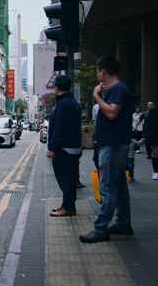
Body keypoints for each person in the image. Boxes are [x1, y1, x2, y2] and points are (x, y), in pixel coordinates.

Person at [80, 55, 133, 243]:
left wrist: (96, 96)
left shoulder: (118, 89)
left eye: (97, 70)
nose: (97, 74)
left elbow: (111, 112)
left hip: (113, 145)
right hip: (112, 144)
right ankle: (123, 223)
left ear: (103, 71)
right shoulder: (115, 89)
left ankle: (101, 228)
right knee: (119, 186)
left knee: (108, 188)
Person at [47, 76, 82, 217]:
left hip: (64, 148)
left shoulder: (64, 104)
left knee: (65, 179)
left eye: (54, 85)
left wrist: (52, 148)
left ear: (57, 87)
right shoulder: (71, 102)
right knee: (69, 179)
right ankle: (67, 206)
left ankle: (68, 208)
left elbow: (59, 128)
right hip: (71, 146)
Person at [146, 104, 158, 180]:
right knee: (155, 153)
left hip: (154, 137)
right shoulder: (153, 113)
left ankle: (156, 172)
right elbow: (148, 126)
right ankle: (155, 171)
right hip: (155, 137)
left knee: (155, 153)